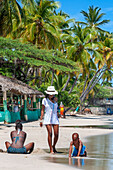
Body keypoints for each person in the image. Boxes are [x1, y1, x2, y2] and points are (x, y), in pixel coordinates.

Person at [40, 86, 59, 154]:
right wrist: (41, 120)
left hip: (55, 118)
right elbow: (42, 110)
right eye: (50, 94)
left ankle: (54, 146)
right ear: (48, 94)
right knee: (50, 133)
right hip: (47, 118)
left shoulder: (56, 100)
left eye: (52, 94)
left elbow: (57, 109)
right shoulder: (44, 100)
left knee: (56, 134)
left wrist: (58, 113)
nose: (51, 95)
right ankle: (51, 148)